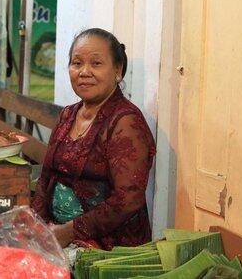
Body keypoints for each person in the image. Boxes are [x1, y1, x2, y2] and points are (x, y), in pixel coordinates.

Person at [31, 28, 156, 250]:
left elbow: (128, 200)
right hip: (57, 235)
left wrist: (69, 232)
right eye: (77, 63)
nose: (84, 72)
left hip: (107, 248)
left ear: (118, 71)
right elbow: (46, 177)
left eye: (96, 64)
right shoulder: (68, 115)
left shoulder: (125, 123)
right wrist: (37, 228)